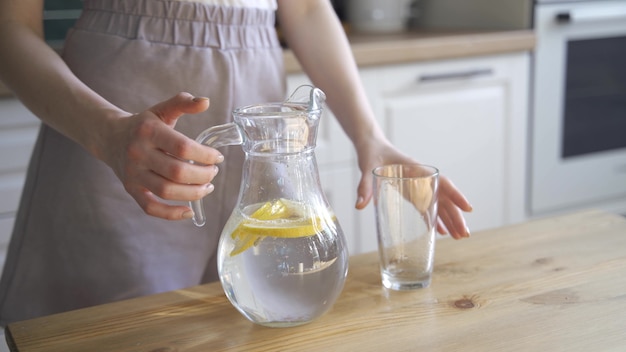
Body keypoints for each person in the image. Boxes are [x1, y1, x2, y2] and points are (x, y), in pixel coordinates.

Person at [0, 0, 472, 325]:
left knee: (262, 318)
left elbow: (305, 8)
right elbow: (10, 28)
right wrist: (107, 132)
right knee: (122, 329)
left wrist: (370, 137)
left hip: (260, 115)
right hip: (124, 116)